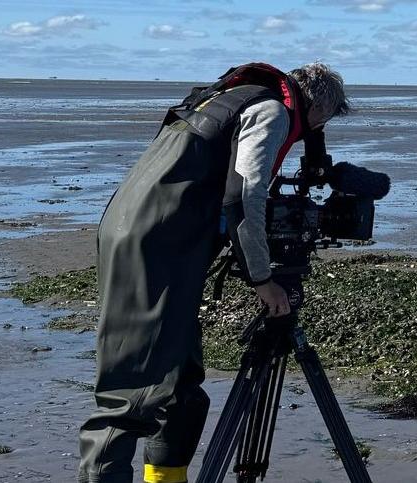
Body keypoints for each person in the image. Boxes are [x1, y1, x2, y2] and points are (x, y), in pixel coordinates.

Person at [77, 62, 350, 483]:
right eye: (322, 122)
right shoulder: (271, 110)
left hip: (146, 229)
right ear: (318, 108)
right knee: (132, 391)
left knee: (180, 382)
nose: (315, 131)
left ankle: (164, 479)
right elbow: (243, 195)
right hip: (156, 241)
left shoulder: (225, 98)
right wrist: (263, 279)